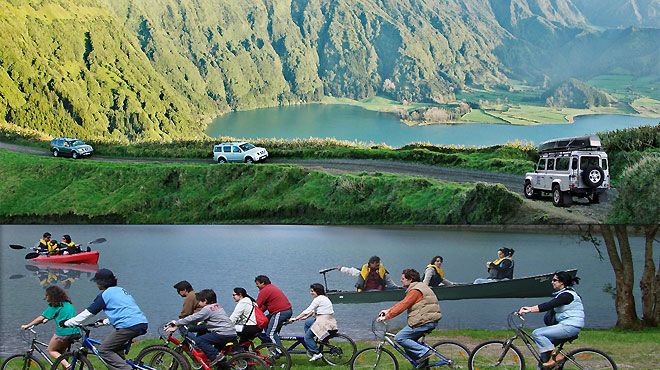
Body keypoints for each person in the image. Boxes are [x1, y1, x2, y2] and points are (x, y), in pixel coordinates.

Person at [64, 269, 148, 370]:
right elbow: (123, 312)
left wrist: (67, 323)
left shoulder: (105, 295)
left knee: (104, 350)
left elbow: (88, 313)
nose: (96, 284)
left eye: (97, 281)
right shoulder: (120, 290)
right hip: (140, 322)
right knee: (115, 352)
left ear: (102, 282)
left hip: (128, 326)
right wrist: (104, 322)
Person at [518, 271, 584, 368]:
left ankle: (556, 357)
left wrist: (529, 309)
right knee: (544, 354)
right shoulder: (564, 294)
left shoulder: (567, 295)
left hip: (570, 326)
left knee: (537, 333)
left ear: (562, 282)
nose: (552, 282)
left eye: (554, 280)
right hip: (566, 325)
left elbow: (548, 305)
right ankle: (549, 362)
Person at [377, 269, 442, 367]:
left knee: (399, 338)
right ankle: (422, 364)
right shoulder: (419, 287)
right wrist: (388, 310)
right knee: (408, 346)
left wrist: (387, 316)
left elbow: (403, 305)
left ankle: (425, 352)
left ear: (410, 279)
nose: (401, 280)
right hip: (428, 320)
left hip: (424, 321)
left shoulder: (415, 290)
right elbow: (403, 302)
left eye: (403, 278)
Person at [166, 289, 236, 368]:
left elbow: (193, 317)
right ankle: (218, 362)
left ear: (205, 301)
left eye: (199, 301)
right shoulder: (217, 306)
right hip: (231, 332)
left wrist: (177, 323)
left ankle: (216, 356)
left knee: (199, 341)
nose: (198, 303)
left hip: (222, 334)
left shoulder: (207, 309)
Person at [21, 286, 81, 369]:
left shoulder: (55, 306)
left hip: (64, 332)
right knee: (61, 355)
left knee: (51, 350)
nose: (46, 298)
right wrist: (47, 319)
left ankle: (68, 366)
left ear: (52, 296)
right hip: (75, 331)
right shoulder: (67, 304)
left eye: (47, 295)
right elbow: (62, 315)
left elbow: (41, 317)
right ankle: (66, 366)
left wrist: (28, 325)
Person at [289, 283, 338, 362]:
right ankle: (313, 343)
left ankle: (316, 352)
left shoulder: (318, 299)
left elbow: (307, 310)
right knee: (307, 323)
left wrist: (296, 318)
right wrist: (305, 317)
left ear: (317, 291)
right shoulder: (324, 298)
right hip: (327, 319)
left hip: (323, 321)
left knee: (307, 337)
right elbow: (313, 311)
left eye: (312, 291)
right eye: (310, 291)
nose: (311, 293)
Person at [255, 275, 293, 348]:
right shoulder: (271, 288)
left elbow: (257, 305)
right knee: (265, 322)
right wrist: (258, 315)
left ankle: (279, 351)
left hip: (281, 312)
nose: (256, 286)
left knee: (271, 333)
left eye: (257, 284)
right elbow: (264, 306)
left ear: (262, 283)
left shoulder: (265, 290)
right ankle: (271, 346)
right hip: (284, 311)